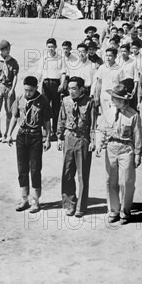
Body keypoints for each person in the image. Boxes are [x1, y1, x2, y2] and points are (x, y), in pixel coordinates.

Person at [96, 83, 142, 225]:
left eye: (115, 98)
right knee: (111, 181)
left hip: (126, 149)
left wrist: (138, 154)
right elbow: (100, 129)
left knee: (126, 182)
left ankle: (125, 212)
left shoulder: (134, 115)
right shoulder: (109, 112)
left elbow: (138, 136)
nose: (112, 100)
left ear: (122, 100)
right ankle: (113, 210)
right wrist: (99, 143)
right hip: (111, 148)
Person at [6, 76, 53, 213]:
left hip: (35, 137)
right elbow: (15, 117)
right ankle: (24, 199)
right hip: (21, 136)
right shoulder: (20, 98)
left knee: (35, 169)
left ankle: (35, 201)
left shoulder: (43, 101)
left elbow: (46, 122)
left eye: (31, 90)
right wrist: (9, 134)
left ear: (36, 88)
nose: (28, 93)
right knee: (22, 169)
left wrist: (48, 138)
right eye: (26, 89)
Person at [57, 77, 95, 218]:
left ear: (81, 89)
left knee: (82, 175)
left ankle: (81, 206)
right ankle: (69, 204)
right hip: (69, 138)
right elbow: (61, 119)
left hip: (83, 139)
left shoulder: (90, 102)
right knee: (67, 172)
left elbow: (93, 123)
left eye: (74, 88)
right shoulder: (66, 101)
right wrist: (60, 136)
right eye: (69, 88)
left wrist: (93, 140)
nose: (71, 91)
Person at [37, 38, 66, 141]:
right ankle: (46, 132)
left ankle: (55, 131)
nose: (50, 49)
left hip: (56, 84)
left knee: (56, 108)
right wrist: (37, 82)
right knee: (44, 107)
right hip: (45, 84)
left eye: (52, 47)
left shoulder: (60, 58)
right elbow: (39, 73)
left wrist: (62, 84)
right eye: (48, 47)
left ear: (56, 47)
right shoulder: (43, 58)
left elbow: (63, 73)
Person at [0, 39, 19, 143]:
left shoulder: (13, 61)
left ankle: (7, 133)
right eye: (7, 49)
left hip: (8, 88)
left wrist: (13, 89)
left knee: (9, 112)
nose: (8, 51)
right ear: (2, 50)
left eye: (9, 48)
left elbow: (16, 76)